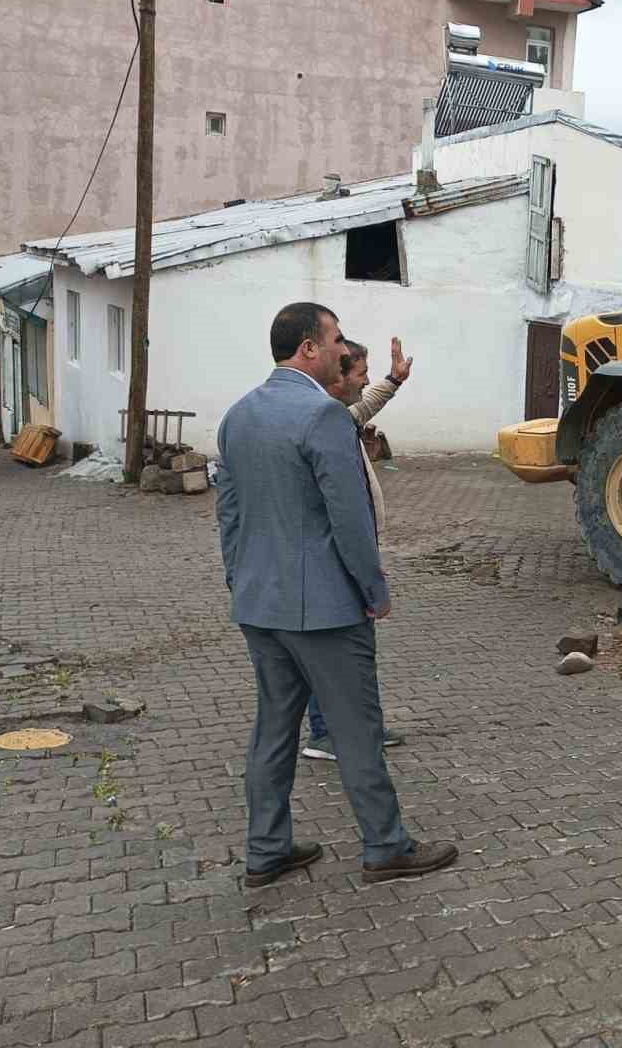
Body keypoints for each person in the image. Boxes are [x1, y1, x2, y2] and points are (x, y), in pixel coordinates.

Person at [215, 302, 455, 887]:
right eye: (336, 338)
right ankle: (386, 846)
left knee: (273, 731)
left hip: (259, 604)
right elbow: (350, 520)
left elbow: (228, 510)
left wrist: (238, 578)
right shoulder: (322, 417)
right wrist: (375, 590)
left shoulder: (237, 415)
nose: (345, 349)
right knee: (357, 729)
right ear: (309, 349)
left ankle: (266, 850)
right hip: (324, 610)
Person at [302, 336, 413, 762]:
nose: (366, 385)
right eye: (361, 376)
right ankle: (324, 733)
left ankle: (361, 727)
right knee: (329, 652)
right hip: (335, 558)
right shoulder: (323, 423)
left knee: (355, 653)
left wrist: (394, 380)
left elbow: (367, 407)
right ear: (339, 378)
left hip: (349, 555)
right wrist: (371, 580)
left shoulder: (341, 416)